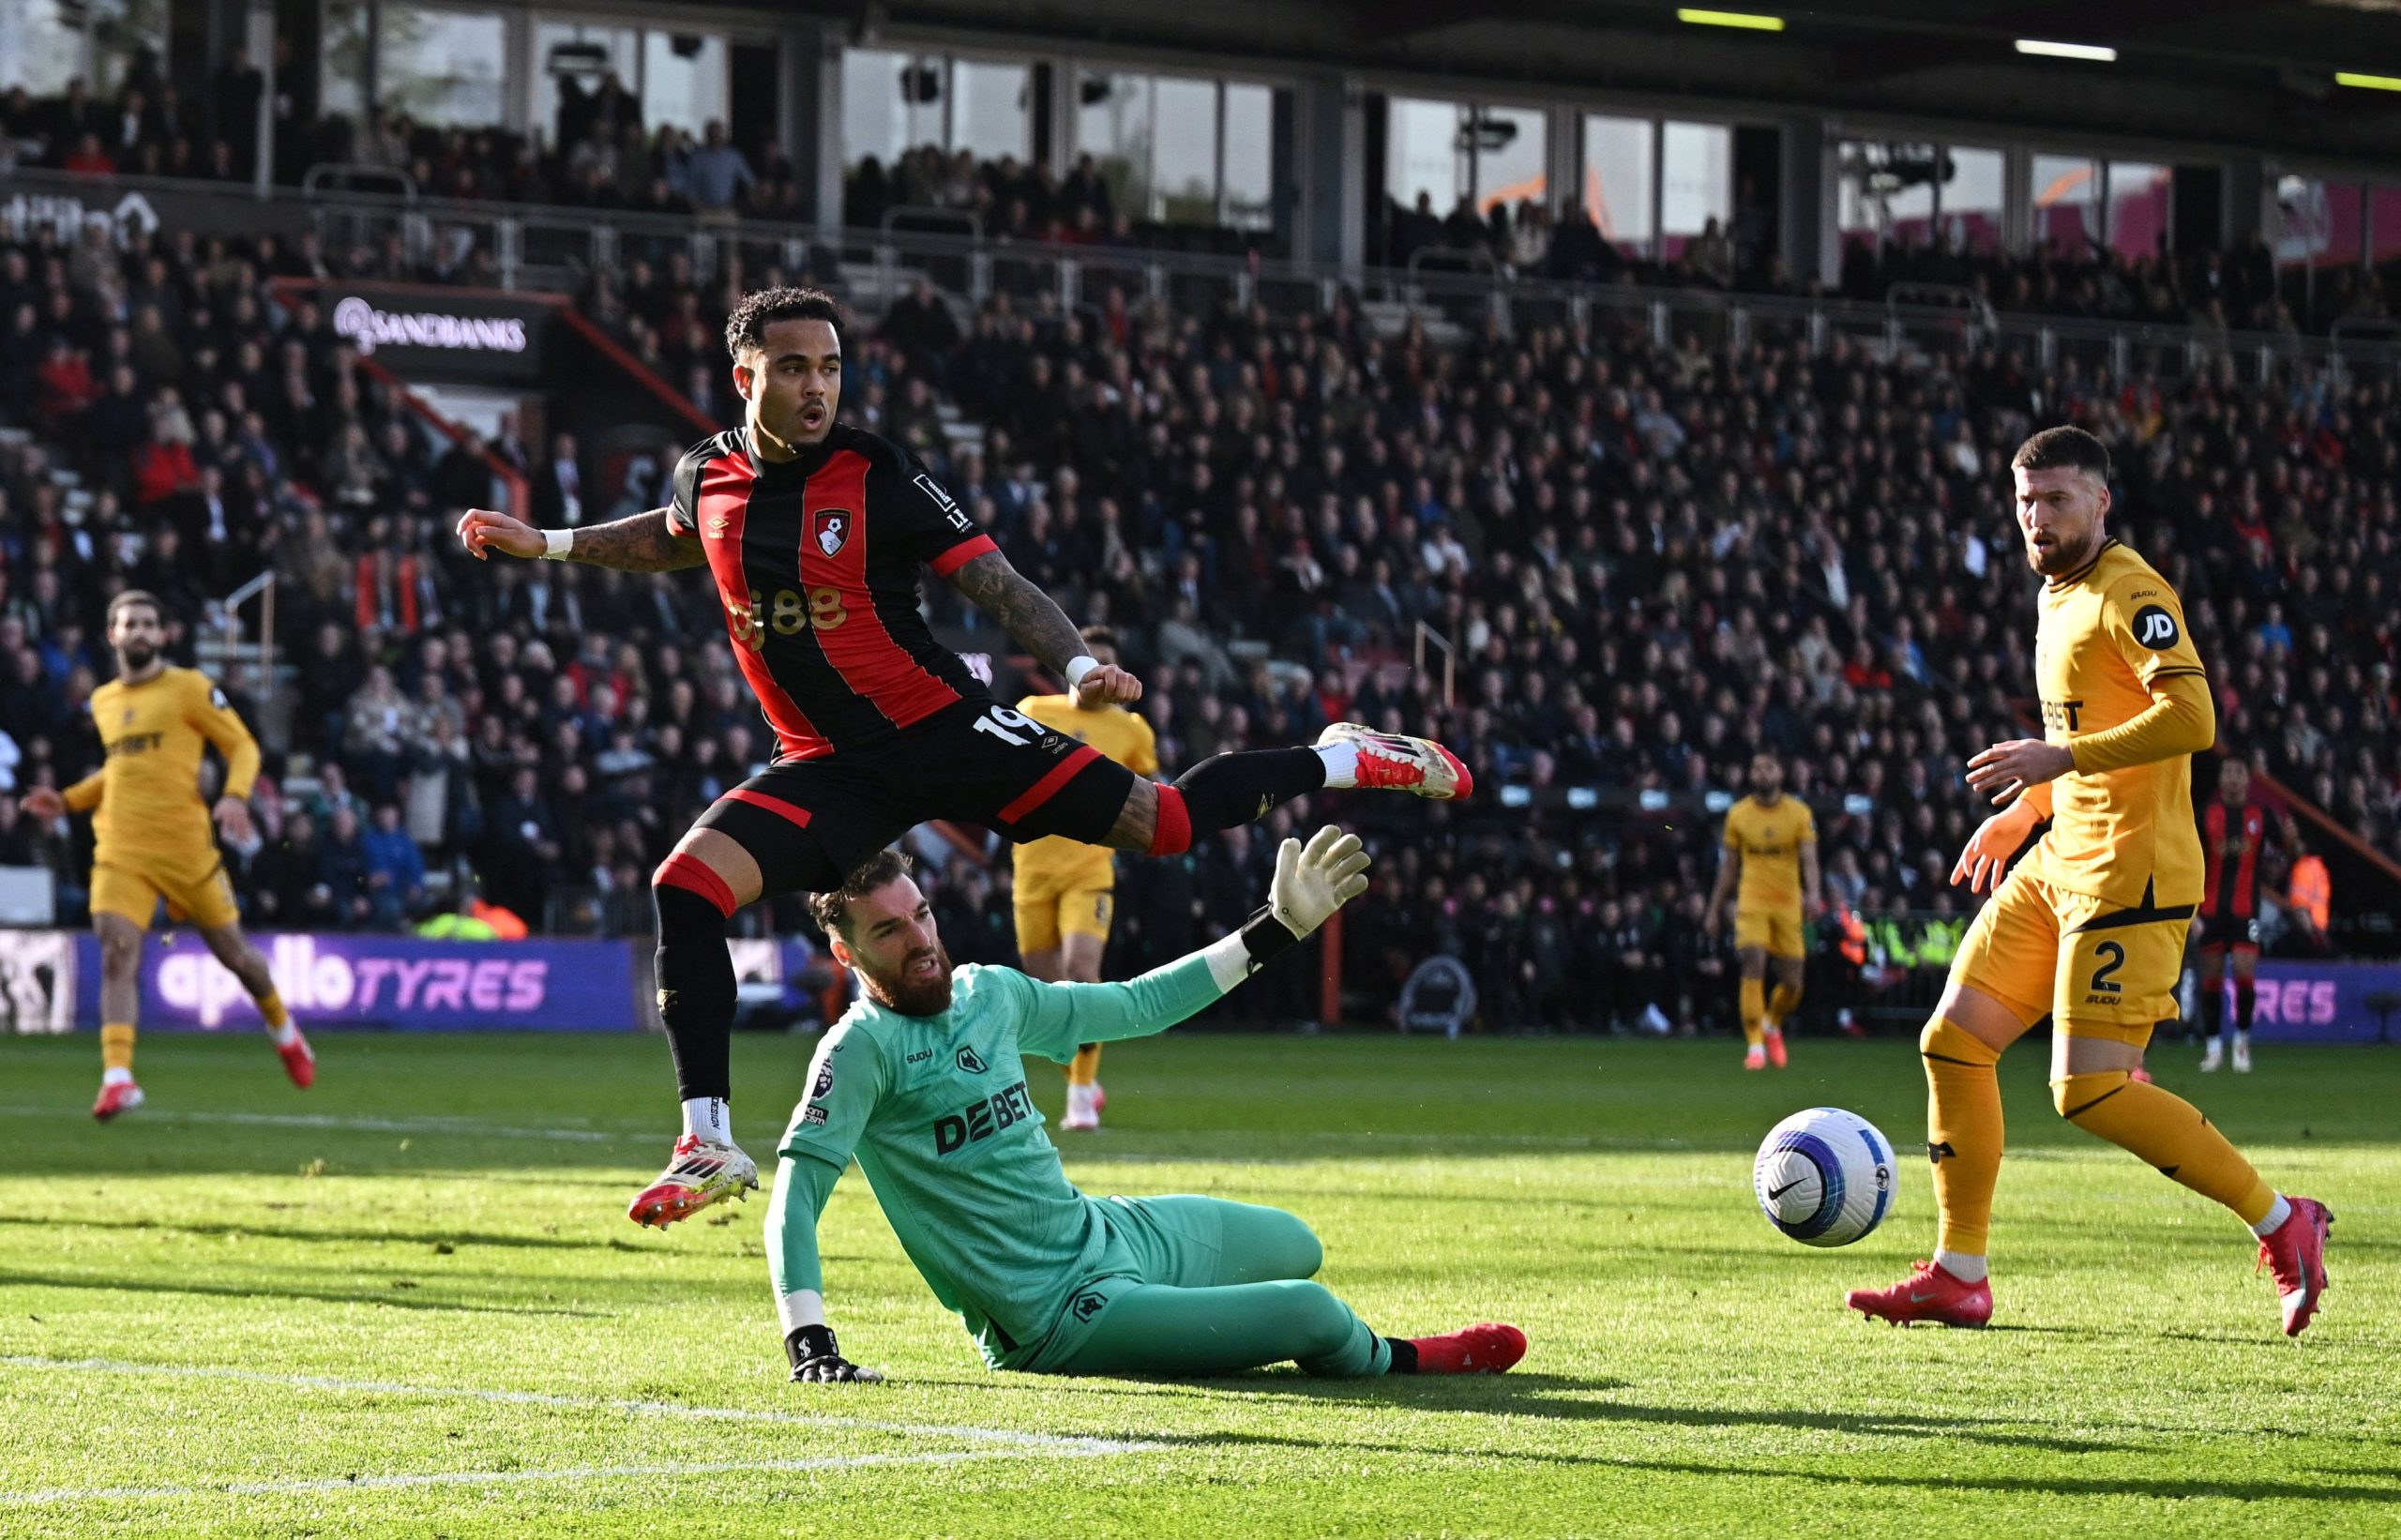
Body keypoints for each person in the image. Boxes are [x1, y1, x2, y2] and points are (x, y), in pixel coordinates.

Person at [455, 287, 1472, 1229]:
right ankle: (709, 1142)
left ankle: (1337, 756)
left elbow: (995, 582)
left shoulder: (876, 472)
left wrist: (1076, 663)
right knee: (684, 884)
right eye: (796, 367)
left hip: (943, 731)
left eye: (832, 367)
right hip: (824, 765)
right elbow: (677, 536)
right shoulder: (706, 474)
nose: (818, 387)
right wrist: (544, 543)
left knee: (1162, 823)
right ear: (745, 378)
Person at [1847, 426, 2332, 1336]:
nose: (2037, 517)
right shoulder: (2056, 594)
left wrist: (2055, 756)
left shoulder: (2130, 591)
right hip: (2060, 854)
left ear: (2101, 502)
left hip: (2132, 873)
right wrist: (2027, 809)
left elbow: (2191, 717)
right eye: (2026, 501)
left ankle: (2282, 1221)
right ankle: (1960, 1273)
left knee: (2089, 1091)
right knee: (1952, 1041)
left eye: (2057, 499)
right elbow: (2084, 727)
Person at [766, 833, 1524, 1382]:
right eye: (890, 931)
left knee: (1298, 1242)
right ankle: (1406, 1358)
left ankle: (1169, 1309)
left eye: (922, 914)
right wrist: (810, 1341)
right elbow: (795, 1201)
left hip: (1105, 1231)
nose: (922, 940)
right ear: (847, 954)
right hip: (1061, 1316)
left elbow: (1137, 1005)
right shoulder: (859, 1050)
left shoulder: (987, 992)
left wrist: (1276, 929)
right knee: (1313, 1314)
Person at [11, 591, 313, 1118]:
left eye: (150, 623)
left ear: (164, 634)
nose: (141, 632)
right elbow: (122, 771)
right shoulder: (103, 701)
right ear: (113, 635)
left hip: (186, 848)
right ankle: (118, 1076)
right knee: (116, 952)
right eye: (130, 624)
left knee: (235, 957)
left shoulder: (190, 688)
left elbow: (242, 746)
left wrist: (236, 796)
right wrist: (67, 800)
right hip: (122, 849)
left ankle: (284, 1030)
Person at [1009, 624, 1158, 1132]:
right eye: (1095, 662)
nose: (1105, 676)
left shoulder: (1133, 731)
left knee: (1081, 974)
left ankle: (1077, 1098)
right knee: (1048, 1000)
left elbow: (1148, 798)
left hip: (1089, 873)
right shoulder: (1034, 712)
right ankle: (1086, 1081)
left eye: (1113, 666)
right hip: (1031, 873)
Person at [1702, 750, 1820, 1070]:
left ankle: (1772, 1023)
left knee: (1793, 982)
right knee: (1753, 961)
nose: (1761, 773)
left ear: (1780, 773)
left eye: (1768, 767)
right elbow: (1728, 868)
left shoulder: (1798, 813)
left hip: (1787, 903)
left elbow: (1809, 859)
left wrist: (1814, 894)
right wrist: (1714, 909)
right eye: (1756, 768)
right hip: (1752, 901)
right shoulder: (1738, 815)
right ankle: (1755, 1044)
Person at [2194, 757, 2268, 1073]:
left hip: (2245, 910)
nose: (2234, 779)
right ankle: (2213, 1048)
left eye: (2239, 773)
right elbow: (2191, 861)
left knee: (2244, 974)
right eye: (2228, 773)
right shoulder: (2206, 816)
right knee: (2211, 978)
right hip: (2210, 910)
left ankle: (2241, 1043)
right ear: (2221, 779)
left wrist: (2292, 843)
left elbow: (2289, 852)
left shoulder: (2260, 817)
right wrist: (2193, 912)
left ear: (2247, 780)